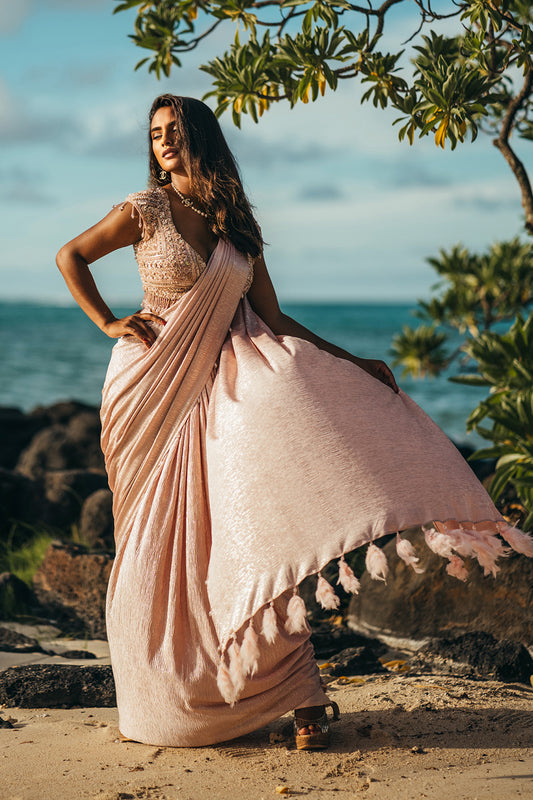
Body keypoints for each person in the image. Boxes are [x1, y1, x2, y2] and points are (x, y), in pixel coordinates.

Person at [56, 93, 533, 751]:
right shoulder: (144, 210)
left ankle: (295, 696)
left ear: (199, 136)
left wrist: (350, 360)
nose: (164, 141)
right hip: (151, 388)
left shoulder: (234, 223)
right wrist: (109, 320)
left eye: (174, 130)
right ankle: (173, 700)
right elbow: (70, 257)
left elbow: (273, 321)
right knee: (156, 548)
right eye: (155, 133)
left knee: (259, 534)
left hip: (230, 389)